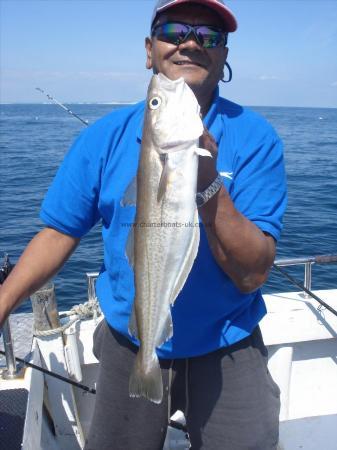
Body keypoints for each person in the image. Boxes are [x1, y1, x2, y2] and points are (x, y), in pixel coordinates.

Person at [0, 0, 287, 449]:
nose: (190, 43)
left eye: (209, 36)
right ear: (149, 50)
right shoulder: (105, 136)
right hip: (130, 336)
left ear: (224, 54)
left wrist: (207, 182)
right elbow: (59, 233)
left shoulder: (256, 138)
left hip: (228, 336)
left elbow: (252, 273)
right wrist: (2, 301)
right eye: (174, 31)